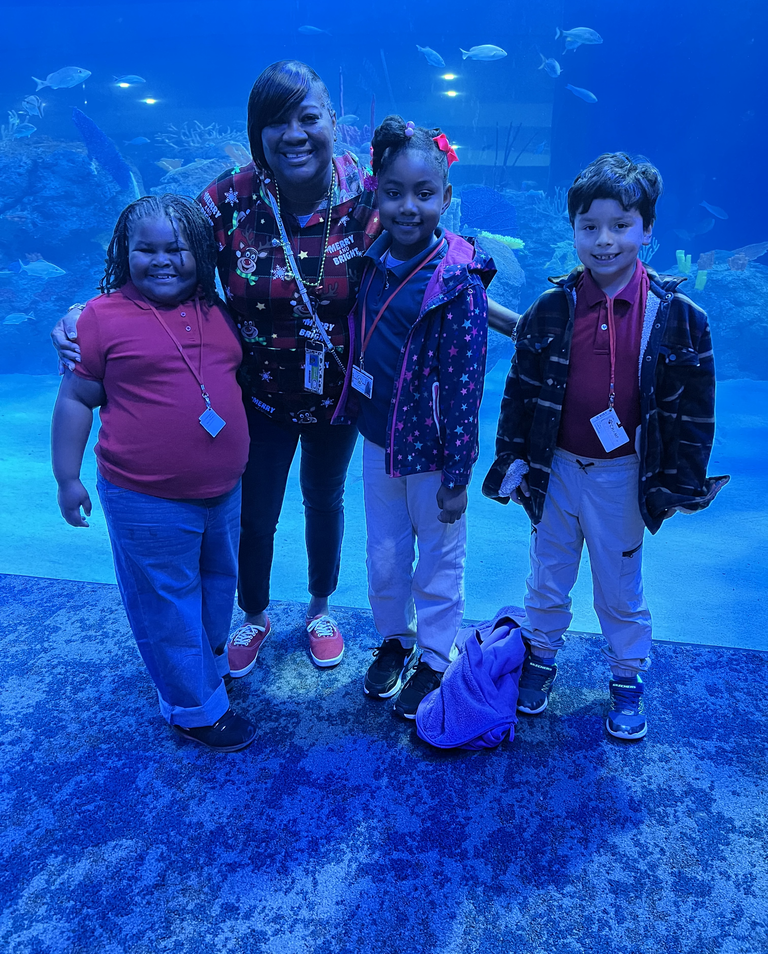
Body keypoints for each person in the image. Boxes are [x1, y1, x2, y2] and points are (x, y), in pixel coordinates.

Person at [51, 60, 517, 682]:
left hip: (342, 395)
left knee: (324, 499)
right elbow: (156, 249)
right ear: (256, 132)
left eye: (307, 117)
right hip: (256, 394)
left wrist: (517, 319)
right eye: (276, 121)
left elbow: (437, 268)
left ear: (331, 123)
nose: (293, 134)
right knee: (256, 508)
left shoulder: (369, 190)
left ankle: (321, 610)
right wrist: (87, 308)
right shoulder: (226, 199)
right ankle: (254, 612)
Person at [482, 152, 728, 741]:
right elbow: (518, 391)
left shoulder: (681, 319)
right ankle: (539, 660)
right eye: (589, 226)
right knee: (547, 575)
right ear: (572, 231)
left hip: (624, 472)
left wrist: (681, 481)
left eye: (621, 225)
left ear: (648, 230)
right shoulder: (550, 308)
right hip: (556, 468)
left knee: (620, 585)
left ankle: (626, 674)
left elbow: (696, 413)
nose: (604, 240)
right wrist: (511, 457)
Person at [51, 195, 255, 752]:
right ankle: (194, 708)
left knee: (217, 586)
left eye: (177, 248)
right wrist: (66, 478)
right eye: (146, 249)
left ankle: (205, 667)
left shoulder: (218, 307)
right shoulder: (100, 318)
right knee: (166, 599)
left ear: (204, 253)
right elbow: (76, 399)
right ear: (124, 252)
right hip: (144, 496)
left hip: (223, 492)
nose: (162, 261)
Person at [334, 117, 495, 720]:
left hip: (434, 454)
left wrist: (459, 473)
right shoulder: (369, 263)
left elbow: (465, 386)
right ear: (376, 192)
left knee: (440, 557)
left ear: (445, 199)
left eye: (424, 194)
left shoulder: (458, 281)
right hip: (379, 443)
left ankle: (434, 654)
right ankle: (394, 640)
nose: (409, 206)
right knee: (383, 552)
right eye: (395, 192)